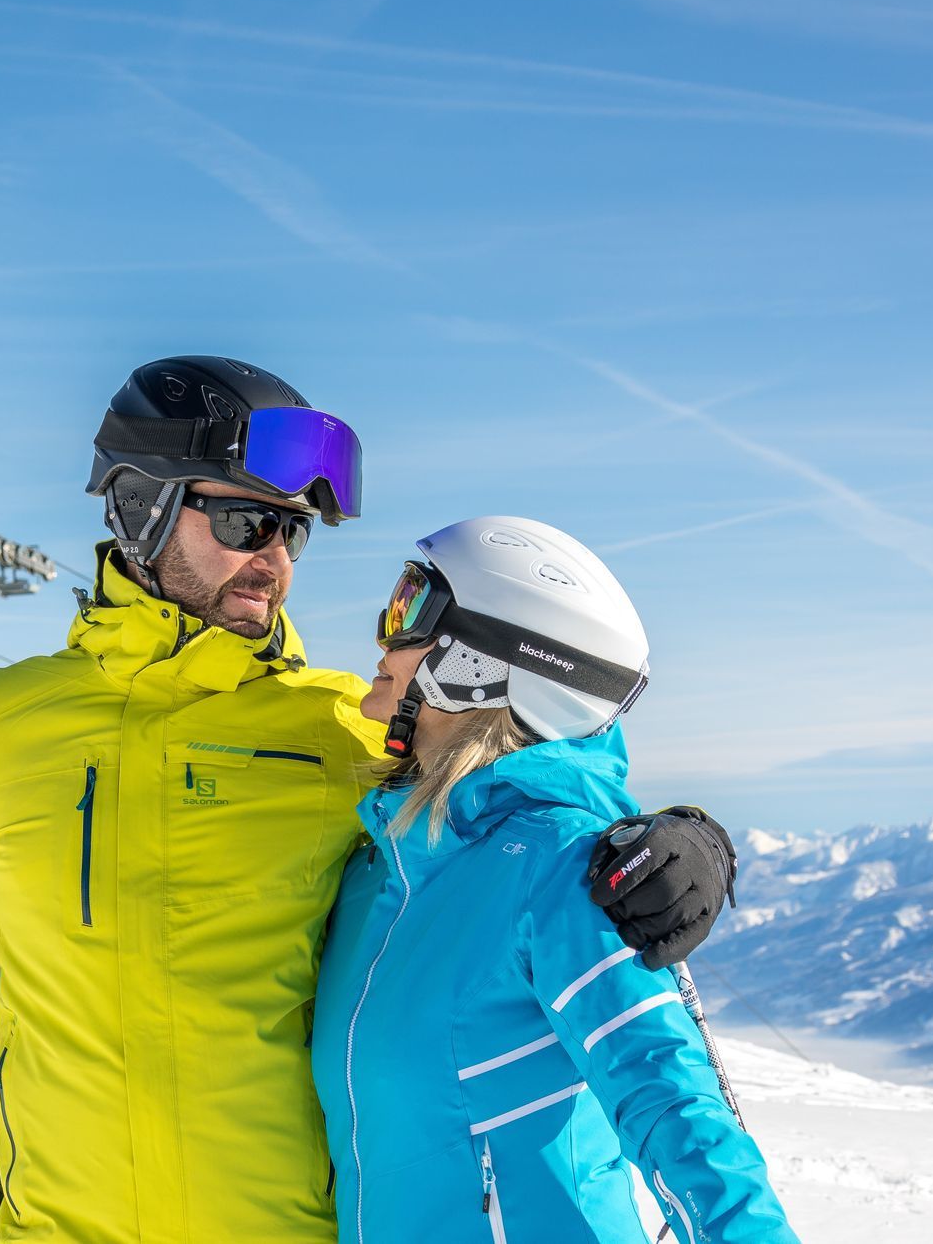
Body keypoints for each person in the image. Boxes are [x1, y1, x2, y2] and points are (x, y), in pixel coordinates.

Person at [0, 358, 739, 1244]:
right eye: (243, 520)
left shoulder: (344, 729)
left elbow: (522, 789)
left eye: (293, 534)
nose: (272, 560)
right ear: (140, 505)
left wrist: (686, 840)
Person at [312, 516, 794, 1243]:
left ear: (482, 664)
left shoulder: (559, 868)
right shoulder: (375, 868)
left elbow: (676, 1110)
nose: (385, 634)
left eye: (412, 607)